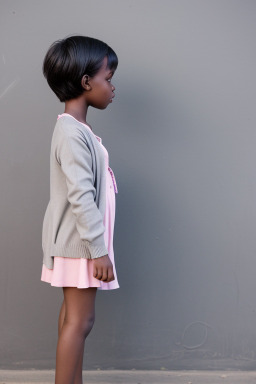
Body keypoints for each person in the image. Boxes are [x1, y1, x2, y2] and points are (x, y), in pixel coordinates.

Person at [40, 35, 120, 384]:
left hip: (80, 243)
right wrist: (98, 251)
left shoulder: (76, 129)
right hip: (82, 244)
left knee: (73, 318)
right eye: (108, 78)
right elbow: (81, 196)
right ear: (87, 82)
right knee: (80, 322)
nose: (112, 87)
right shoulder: (72, 133)